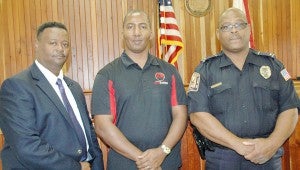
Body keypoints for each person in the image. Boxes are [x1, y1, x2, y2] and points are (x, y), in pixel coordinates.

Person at [188, 7, 299, 170]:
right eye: (226, 27)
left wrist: (272, 144)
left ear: (249, 29)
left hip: (267, 156)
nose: (233, 30)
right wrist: (238, 144)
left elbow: (290, 109)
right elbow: (198, 115)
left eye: (239, 24)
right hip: (223, 158)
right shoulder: (205, 70)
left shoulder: (273, 66)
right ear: (218, 34)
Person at [91, 10, 187, 170]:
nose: (136, 33)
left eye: (142, 26)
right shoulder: (106, 74)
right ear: (123, 32)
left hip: (166, 162)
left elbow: (181, 115)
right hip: (125, 164)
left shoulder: (169, 71)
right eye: (130, 27)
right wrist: (144, 160)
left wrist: (161, 152)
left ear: (150, 32)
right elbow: (102, 126)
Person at [0, 22, 104, 170]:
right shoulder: (16, 87)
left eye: (65, 44)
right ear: (37, 45)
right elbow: (26, 146)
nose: (60, 49)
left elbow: (90, 136)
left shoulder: (74, 88)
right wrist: (75, 167)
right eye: (53, 43)